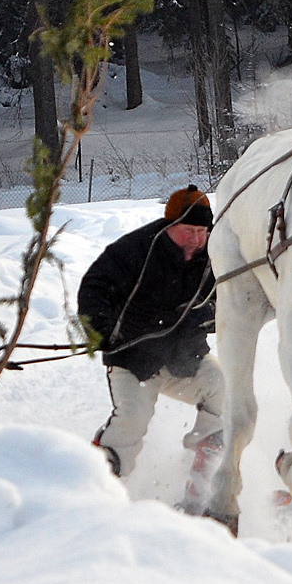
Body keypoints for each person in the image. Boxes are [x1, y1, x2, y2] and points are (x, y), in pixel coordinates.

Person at [78, 185, 223, 478]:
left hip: (184, 361)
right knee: (132, 419)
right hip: (133, 361)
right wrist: (103, 330)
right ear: (170, 225)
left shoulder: (214, 257)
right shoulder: (136, 250)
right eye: (188, 230)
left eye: (202, 231)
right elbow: (94, 287)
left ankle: (202, 478)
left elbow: (230, 302)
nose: (196, 239)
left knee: (224, 390)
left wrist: (208, 317)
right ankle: (99, 484)